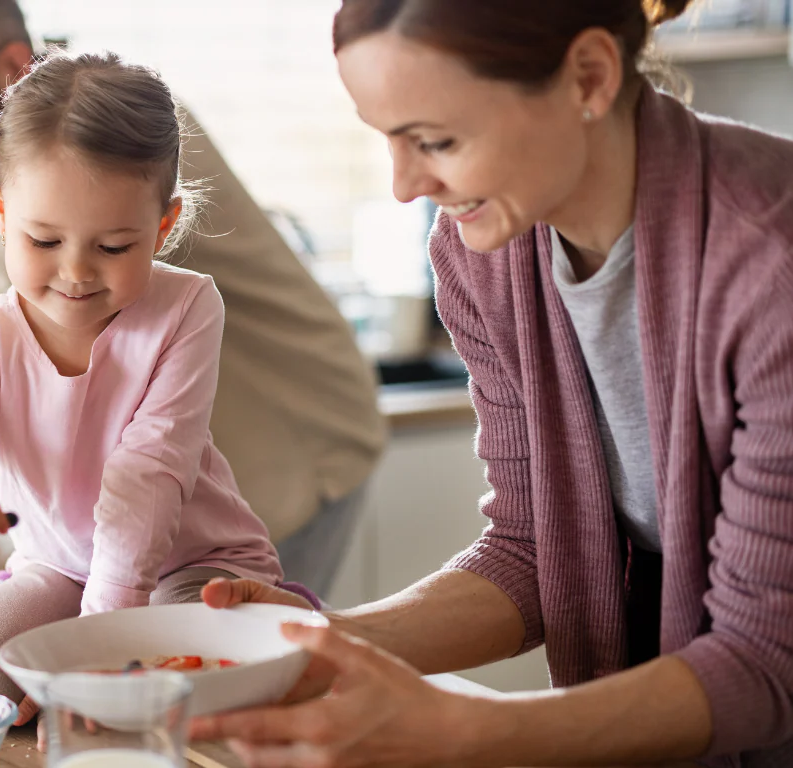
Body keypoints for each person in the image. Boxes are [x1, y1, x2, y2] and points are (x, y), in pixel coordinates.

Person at [189, 0, 793, 766]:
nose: (406, 185)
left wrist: (458, 732)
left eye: (435, 140)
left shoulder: (772, 262)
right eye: (388, 140)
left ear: (589, 77)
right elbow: (532, 549)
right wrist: (317, 642)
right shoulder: (484, 257)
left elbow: (766, 661)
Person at [0, 0, 386, 599]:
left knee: (217, 683)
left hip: (289, 446)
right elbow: (30, 335)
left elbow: (83, 325)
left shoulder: (117, 143)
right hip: (149, 490)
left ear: (8, 68)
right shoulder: (27, 169)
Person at [0, 50, 300, 725]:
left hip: (189, 563)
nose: (76, 274)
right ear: (2, 209)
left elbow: (148, 478)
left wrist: (96, 652)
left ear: (163, 227)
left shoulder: (187, 308)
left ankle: (274, 613)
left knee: (190, 676)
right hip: (59, 566)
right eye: (43, 240)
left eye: (114, 248)